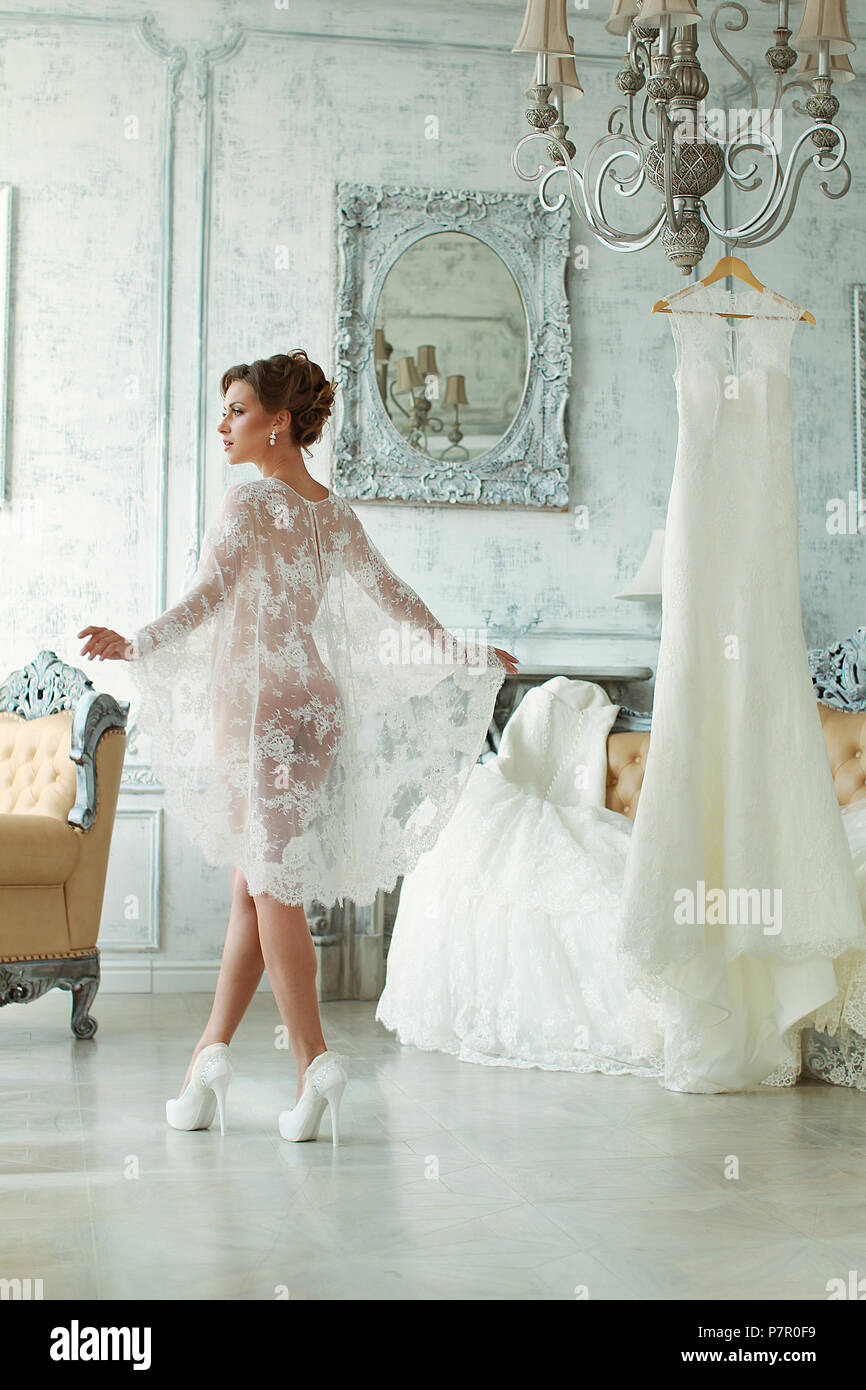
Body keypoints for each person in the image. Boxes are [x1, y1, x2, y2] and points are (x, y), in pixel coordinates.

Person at [78, 349, 517, 1145]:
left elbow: (204, 601)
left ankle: (315, 1063)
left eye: (238, 411)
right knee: (258, 880)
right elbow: (397, 599)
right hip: (317, 705)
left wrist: (135, 640)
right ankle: (206, 1062)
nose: (225, 425)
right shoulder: (336, 514)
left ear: (278, 423)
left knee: (274, 887)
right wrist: (464, 651)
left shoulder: (248, 505)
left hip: (255, 711)